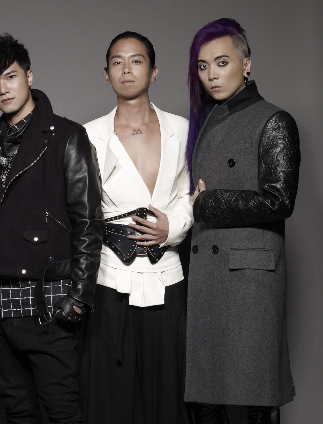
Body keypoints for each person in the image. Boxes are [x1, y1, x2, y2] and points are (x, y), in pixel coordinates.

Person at [0, 33, 103, 424]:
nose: (3, 89)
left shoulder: (67, 137)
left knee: (62, 411)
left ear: (29, 75)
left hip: (46, 303)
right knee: (17, 411)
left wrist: (79, 297)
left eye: (10, 76)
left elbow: (88, 221)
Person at [184, 18, 300, 424]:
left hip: (250, 278)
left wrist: (208, 203)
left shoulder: (274, 120)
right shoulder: (210, 119)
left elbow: (280, 199)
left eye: (222, 63)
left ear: (246, 64)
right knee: (205, 396)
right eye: (203, 67)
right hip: (207, 275)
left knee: (257, 396)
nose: (211, 75)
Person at [81, 31, 193, 424]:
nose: (126, 69)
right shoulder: (87, 135)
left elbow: (190, 194)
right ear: (106, 74)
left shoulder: (183, 129)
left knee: (170, 396)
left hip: (168, 277)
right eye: (117, 62)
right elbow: (79, 210)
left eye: (137, 60)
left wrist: (172, 227)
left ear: (154, 70)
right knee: (109, 399)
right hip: (109, 279)